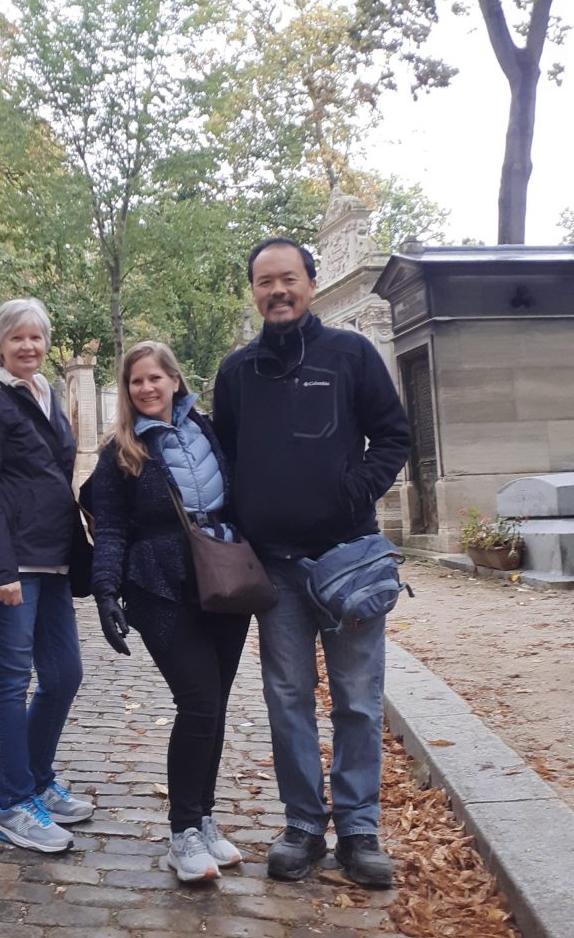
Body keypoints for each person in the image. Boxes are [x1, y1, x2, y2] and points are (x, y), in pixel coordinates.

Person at [211, 238, 410, 888]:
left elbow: (394, 437)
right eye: (264, 282)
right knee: (287, 699)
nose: (277, 291)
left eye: (288, 278)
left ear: (311, 282)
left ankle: (358, 830)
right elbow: (226, 458)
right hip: (278, 574)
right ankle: (303, 826)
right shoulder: (237, 373)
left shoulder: (351, 354)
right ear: (253, 291)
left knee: (356, 699)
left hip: (347, 562)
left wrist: (350, 492)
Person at [87, 340, 250, 883]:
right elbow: (109, 526)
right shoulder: (120, 451)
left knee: (217, 706)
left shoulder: (207, 431)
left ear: (176, 381)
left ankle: (203, 819)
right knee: (198, 700)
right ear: (127, 390)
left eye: (156, 378)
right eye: (136, 381)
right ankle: (182, 833)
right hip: (158, 585)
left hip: (225, 580)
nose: (147, 388)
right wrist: (107, 590)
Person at [0, 297, 93, 854]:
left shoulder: (44, 392)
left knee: (63, 675)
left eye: (37, 337)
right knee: (11, 681)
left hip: (54, 557)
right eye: (18, 338)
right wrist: (0, 566)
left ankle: (36, 781)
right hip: (10, 562)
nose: (29, 347)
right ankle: (12, 804)